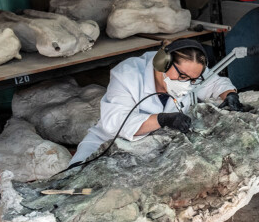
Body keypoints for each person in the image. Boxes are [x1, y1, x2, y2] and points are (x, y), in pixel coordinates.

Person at [69, 39, 247, 166]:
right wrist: (162, 119)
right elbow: (114, 122)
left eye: (193, 80)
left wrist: (230, 95)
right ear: (163, 64)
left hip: (153, 149)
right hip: (104, 145)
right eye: (182, 76)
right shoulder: (127, 74)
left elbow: (214, 82)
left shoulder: (190, 71)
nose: (187, 83)